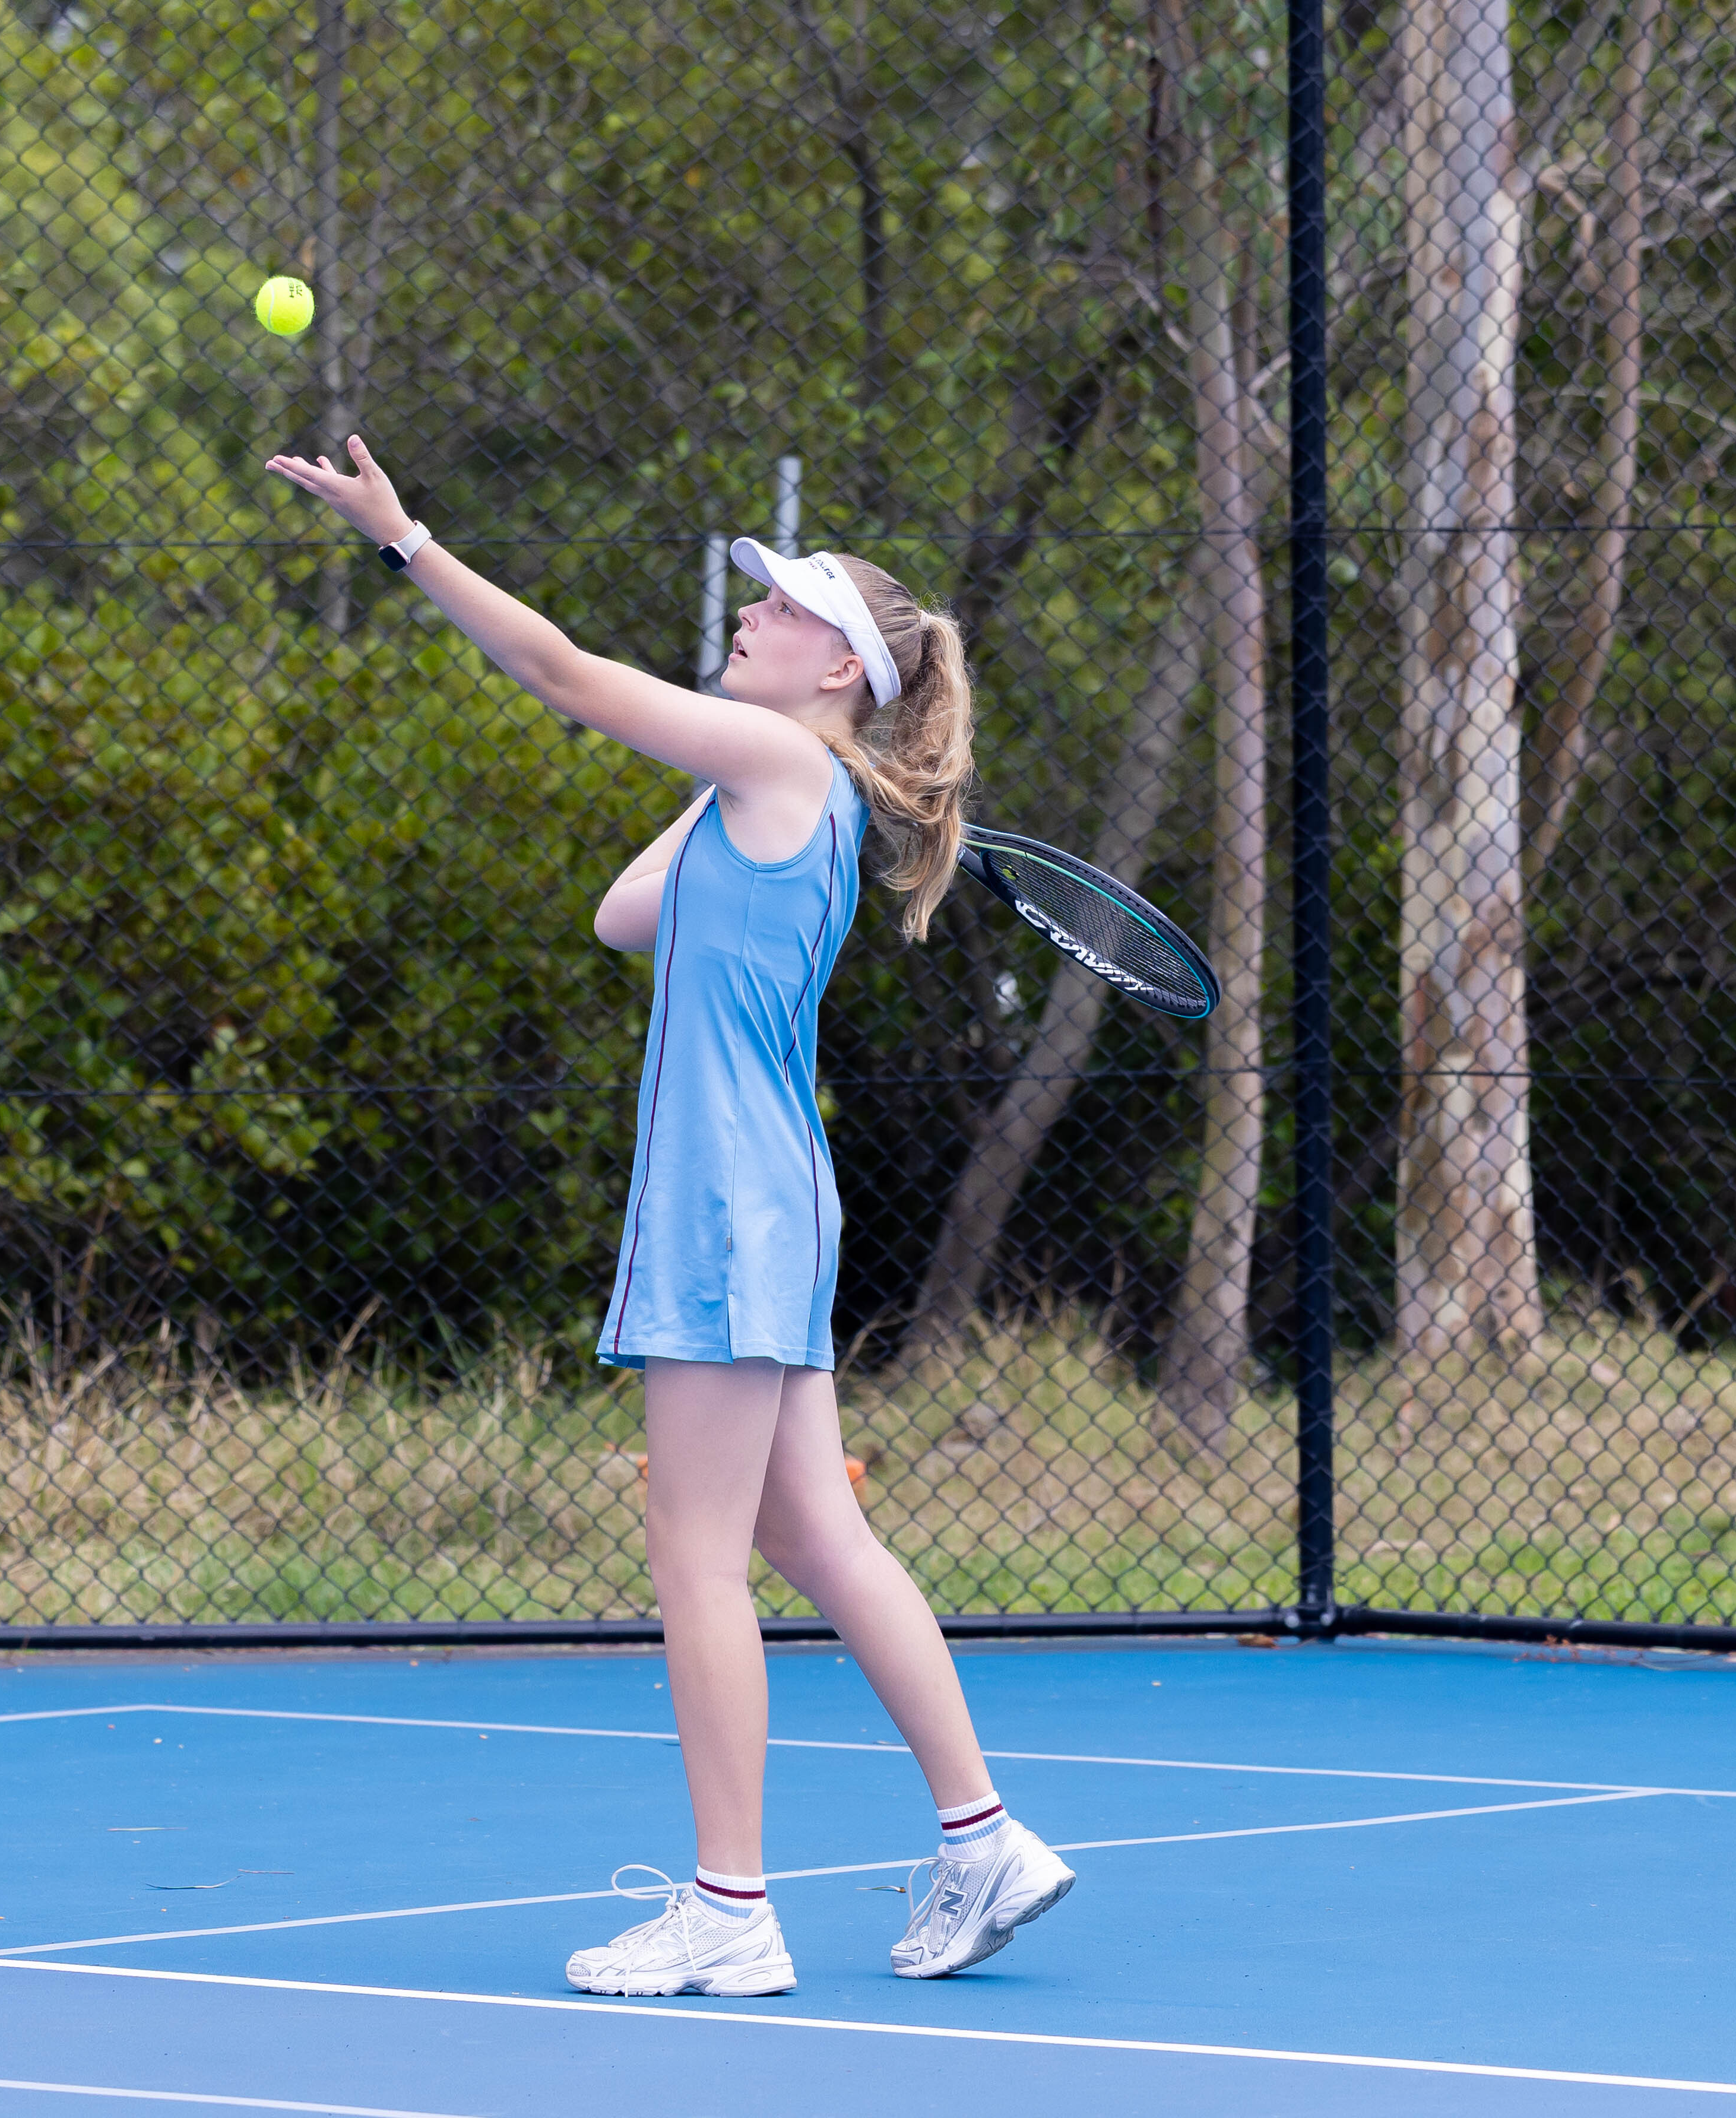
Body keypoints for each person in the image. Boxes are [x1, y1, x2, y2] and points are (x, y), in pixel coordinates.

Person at [268, 435, 1074, 1997]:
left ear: (839, 669)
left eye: (781, 609)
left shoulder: (782, 766)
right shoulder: (778, 785)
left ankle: (730, 1908)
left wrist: (405, 540)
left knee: (695, 1553)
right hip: (772, 1198)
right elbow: (623, 916)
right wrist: (727, 760)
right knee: (813, 1533)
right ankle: (982, 1839)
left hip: (726, 1206)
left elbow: (563, 673)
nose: (749, 614)